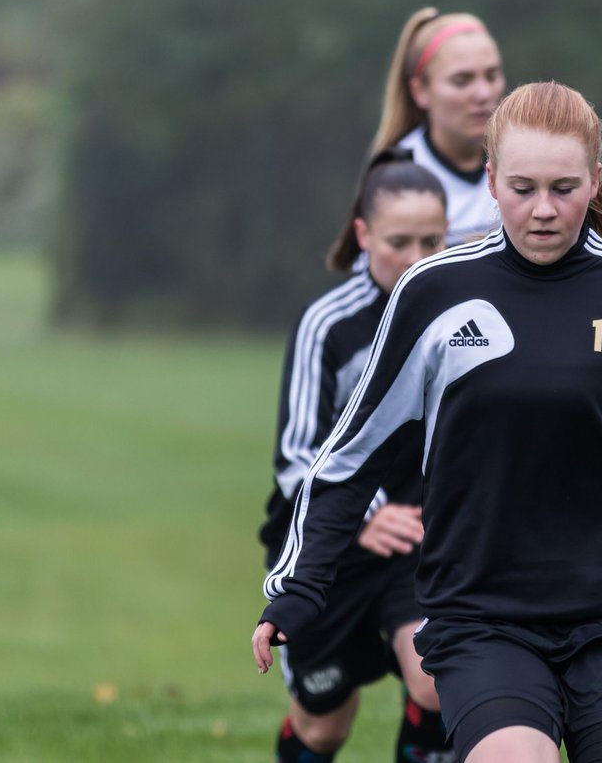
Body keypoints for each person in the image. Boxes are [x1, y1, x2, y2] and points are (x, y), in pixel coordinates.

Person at [254, 82, 602, 763]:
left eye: (565, 187)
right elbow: (346, 458)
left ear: (597, 179)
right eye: (522, 187)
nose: (543, 210)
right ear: (489, 180)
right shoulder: (435, 294)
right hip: (482, 619)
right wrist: (298, 590)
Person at [260, 150, 454, 763]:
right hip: (333, 549)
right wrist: (368, 515)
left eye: (433, 241)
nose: (418, 258)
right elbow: (295, 455)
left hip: (416, 539)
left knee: (437, 681)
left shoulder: (461, 318)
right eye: (400, 242)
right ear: (364, 235)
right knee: (325, 726)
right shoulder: (328, 325)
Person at [369, 6, 506, 246]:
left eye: (492, 76)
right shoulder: (396, 172)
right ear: (420, 91)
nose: (483, 93)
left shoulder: (522, 161)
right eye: (461, 80)